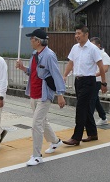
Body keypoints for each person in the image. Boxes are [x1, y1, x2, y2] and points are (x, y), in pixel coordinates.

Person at [16, 29, 66, 166]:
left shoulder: (49, 55)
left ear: (38, 41)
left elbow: (56, 75)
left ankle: (37, 156)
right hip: (34, 93)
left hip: (45, 95)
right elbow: (32, 72)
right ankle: (56, 142)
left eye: (31, 39)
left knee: (36, 124)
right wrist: (22, 68)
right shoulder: (34, 54)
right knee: (42, 121)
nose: (30, 41)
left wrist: (60, 95)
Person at [62, 24, 107, 146]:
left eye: (79, 33)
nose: (76, 36)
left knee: (80, 108)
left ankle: (76, 137)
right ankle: (93, 133)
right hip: (78, 81)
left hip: (89, 81)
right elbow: (71, 63)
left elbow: (101, 66)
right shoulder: (75, 48)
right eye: (75, 33)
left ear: (86, 34)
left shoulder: (93, 49)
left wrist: (103, 82)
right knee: (86, 108)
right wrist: (65, 75)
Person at [90, 37, 110, 125]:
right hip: (90, 79)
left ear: (98, 45)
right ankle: (103, 117)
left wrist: (95, 75)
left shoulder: (103, 55)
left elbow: (105, 69)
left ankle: (88, 122)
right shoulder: (91, 53)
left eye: (93, 45)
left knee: (91, 100)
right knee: (95, 100)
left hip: (97, 81)